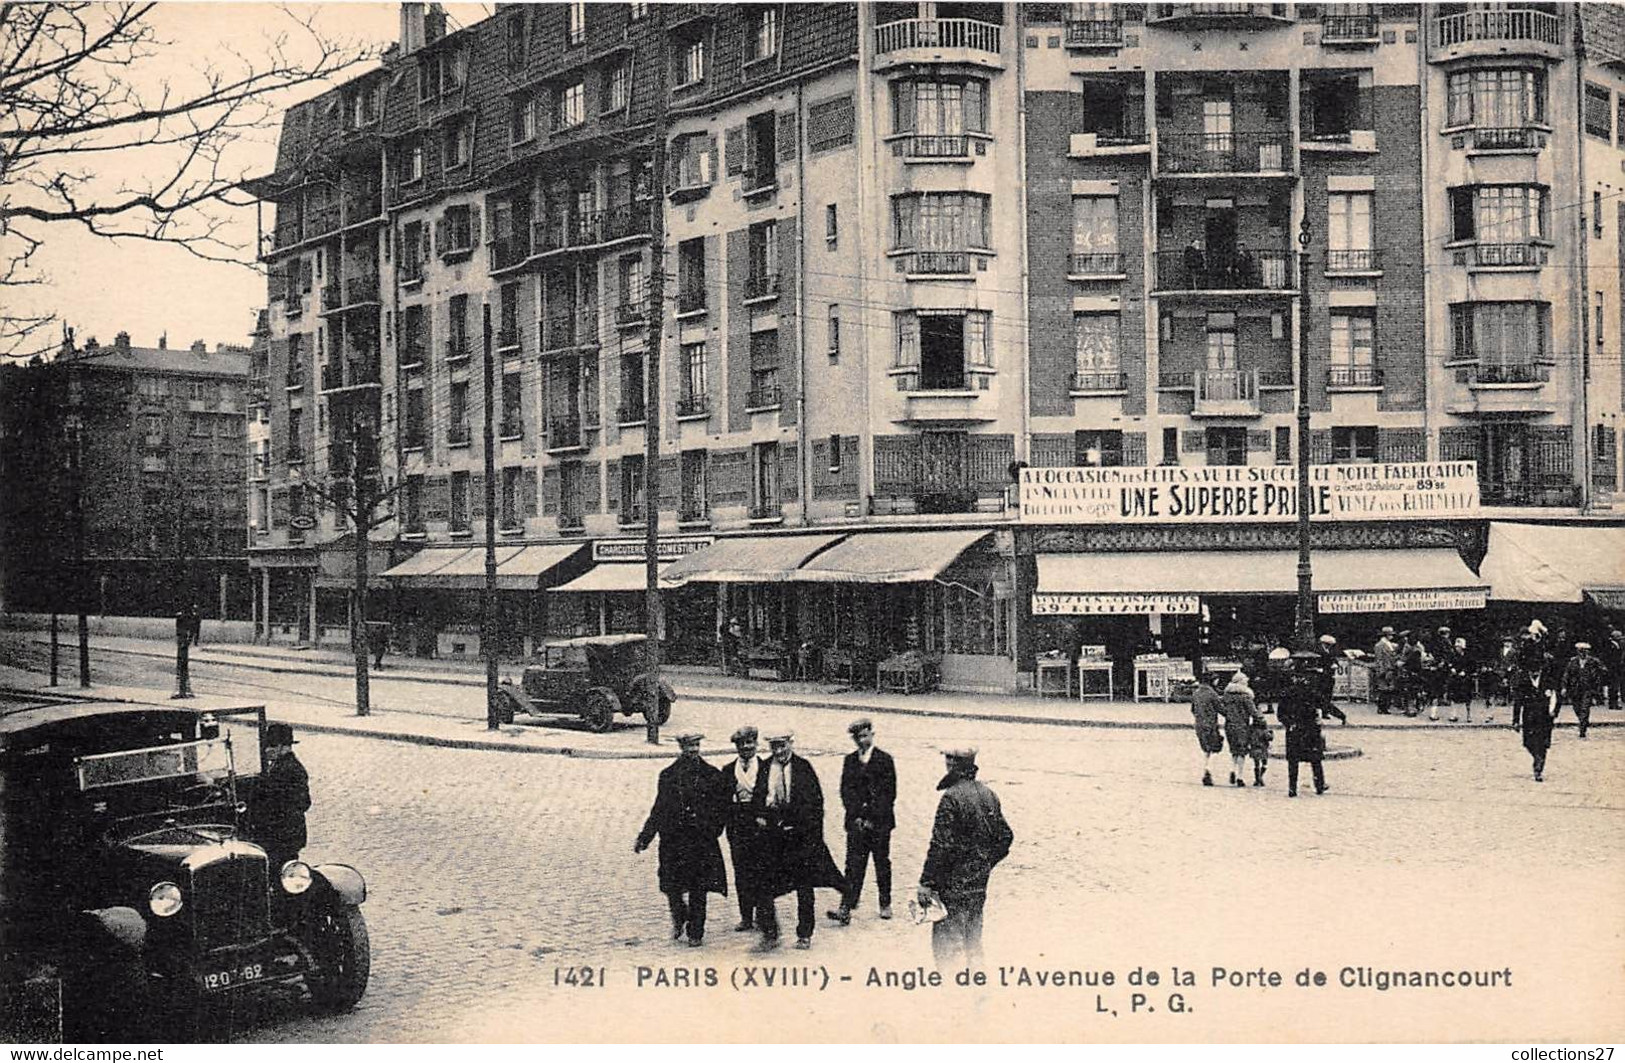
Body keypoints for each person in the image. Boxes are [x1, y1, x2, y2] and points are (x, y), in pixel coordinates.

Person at [918, 746, 1014, 974]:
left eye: (952, 759)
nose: (948, 763)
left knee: (948, 949)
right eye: (947, 757)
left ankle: (955, 999)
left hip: (952, 887)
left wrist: (927, 882)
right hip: (977, 886)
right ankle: (977, 995)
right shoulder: (988, 793)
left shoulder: (950, 798)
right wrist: (984, 865)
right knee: (973, 944)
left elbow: (940, 845)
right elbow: (1005, 837)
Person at [634, 730, 728, 947]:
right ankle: (679, 917)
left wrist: (713, 830)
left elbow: (720, 809)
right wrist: (645, 837)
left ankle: (696, 931)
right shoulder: (668, 775)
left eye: (696, 746)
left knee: (698, 887)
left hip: (700, 841)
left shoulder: (712, 775)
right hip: (673, 841)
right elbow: (658, 809)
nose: (693, 750)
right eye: (688, 746)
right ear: (681, 748)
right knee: (671, 886)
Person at [752, 731, 843, 950]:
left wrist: (809, 833)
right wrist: (760, 816)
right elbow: (757, 797)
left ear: (791, 744)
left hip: (799, 836)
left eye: (782, 745)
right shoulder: (765, 767)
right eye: (774, 747)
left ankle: (804, 933)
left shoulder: (804, 768)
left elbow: (816, 804)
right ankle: (770, 933)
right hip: (773, 836)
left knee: (804, 886)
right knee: (763, 884)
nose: (779, 751)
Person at [828, 718, 896, 926]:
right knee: (853, 864)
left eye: (865, 736)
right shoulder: (850, 760)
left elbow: (889, 793)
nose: (862, 741)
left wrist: (872, 817)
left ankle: (885, 902)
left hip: (880, 823)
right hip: (856, 823)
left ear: (872, 735)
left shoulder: (885, 759)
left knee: (881, 863)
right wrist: (856, 815)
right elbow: (845, 790)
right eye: (858, 738)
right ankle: (846, 906)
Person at [246, 722, 311, 871]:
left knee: (280, 870)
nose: (267, 750)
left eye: (272, 746)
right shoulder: (278, 766)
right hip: (284, 834)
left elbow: (303, 803)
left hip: (283, 835)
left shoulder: (290, 769)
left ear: (284, 747)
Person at [721, 726, 764, 932]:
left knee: (763, 869)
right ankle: (746, 916)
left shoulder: (767, 767)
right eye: (741, 744)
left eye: (750, 743)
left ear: (756, 744)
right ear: (736, 747)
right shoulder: (728, 770)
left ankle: (763, 914)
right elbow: (721, 801)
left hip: (760, 824)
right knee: (742, 871)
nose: (746, 747)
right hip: (737, 825)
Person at [1277, 652, 1329, 798]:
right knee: (1315, 758)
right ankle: (1319, 785)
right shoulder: (1312, 690)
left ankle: (1292, 788)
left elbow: (1280, 713)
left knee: (1293, 760)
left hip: (1294, 728)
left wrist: (1288, 723)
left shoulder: (1287, 691)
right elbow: (1323, 702)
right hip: (1310, 727)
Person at [1218, 671, 1260, 789]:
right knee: (1242, 751)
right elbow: (1253, 713)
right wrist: (1260, 720)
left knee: (1234, 750)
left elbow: (1222, 709)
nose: (1247, 681)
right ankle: (1240, 777)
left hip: (1229, 725)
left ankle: (1233, 769)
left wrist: (1229, 715)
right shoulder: (1245, 697)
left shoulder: (1226, 696)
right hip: (1242, 726)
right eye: (1245, 680)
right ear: (1240, 682)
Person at [1518, 663, 1556, 782]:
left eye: (1537, 671)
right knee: (1528, 742)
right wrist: (1515, 720)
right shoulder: (1523, 683)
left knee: (1543, 743)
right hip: (1528, 717)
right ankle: (1537, 757)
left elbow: (1554, 698)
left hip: (1544, 718)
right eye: (1532, 672)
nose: (1534, 674)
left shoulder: (1547, 681)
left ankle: (1538, 767)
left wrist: (1552, 711)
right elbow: (1518, 701)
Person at [1561, 642, 1604, 740]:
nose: (1582, 653)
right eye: (1580, 651)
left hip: (1588, 688)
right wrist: (1564, 687)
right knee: (1577, 708)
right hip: (1575, 689)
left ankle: (1582, 729)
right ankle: (1583, 721)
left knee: (1585, 708)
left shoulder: (1593, 661)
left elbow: (1603, 670)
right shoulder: (1572, 662)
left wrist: (1597, 678)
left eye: (1584, 651)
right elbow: (1566, 675)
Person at [1189, 672, 1225, 786]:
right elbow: (1221, 709)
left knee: (1206, 748)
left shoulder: (1196, 693)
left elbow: (1193, 709)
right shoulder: (1212, 693)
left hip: (1199, 724)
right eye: (1216, 679)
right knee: (1215, 747)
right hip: (1210, 724)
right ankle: (1208, 770)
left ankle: (1206, 768)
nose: (1217, 681)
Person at [1316, 634, 1348, 724]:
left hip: (1329, 676)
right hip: (1323, 676)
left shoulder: (1329, 651)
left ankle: (1327, 713)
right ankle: (1338, 715)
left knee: (1326, 697)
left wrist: (1335, 664)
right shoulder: (1319, 651)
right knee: (1323, 698)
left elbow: (1334, 660)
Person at [1371, 626, 1400, 716]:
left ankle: (1385, 707)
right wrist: (1381, 671)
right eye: (1390, 635)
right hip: (1384, 670)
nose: (1392, 636)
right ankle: (1382, 708)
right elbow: (1379, 660)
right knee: (1384, 690)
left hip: (1389, 669)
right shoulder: (1379, 645)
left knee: (1388, 689)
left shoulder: (1389, 644)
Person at [1247, 707, 1274, 788]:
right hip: (1263, 749)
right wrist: (1272, 733)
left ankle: (1257, 778)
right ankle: (1260, 777)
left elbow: (1248, 737)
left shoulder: (1251, 729)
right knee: (1265, 764)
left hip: (1254, 748)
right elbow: (1269, 738)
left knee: (1256, 764)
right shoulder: (1264, 730)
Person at [1605, 629, 1625, 712]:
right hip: (1613, 668)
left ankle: (1614, 703)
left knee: (1615, 686)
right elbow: (1610, 658)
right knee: (1613, 686)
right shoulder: (1611, 646)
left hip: (1616, 668)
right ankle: (1612, 703)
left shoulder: (1617, 645)